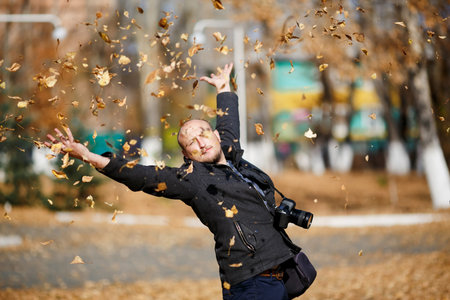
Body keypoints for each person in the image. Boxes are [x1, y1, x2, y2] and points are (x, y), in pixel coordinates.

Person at [46, 63, 302, 300]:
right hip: (251, 282)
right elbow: (142, 175)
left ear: (215, 135)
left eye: (203, 134)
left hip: (279, 276)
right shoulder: (192, 179)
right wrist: (88, 156)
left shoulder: (231, 153)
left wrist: (224, 88)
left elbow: (228, 123)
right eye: (192, 143)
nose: (201, 142)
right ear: (187, 155)